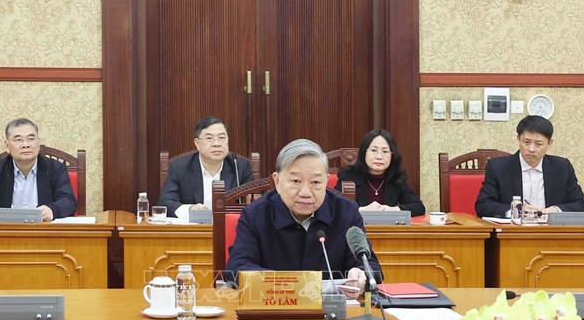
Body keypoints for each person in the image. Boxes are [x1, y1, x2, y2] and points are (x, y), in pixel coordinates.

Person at [226, 139, 382, 297]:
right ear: (277, 181)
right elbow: (237, 268)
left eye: (315, 182)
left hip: (332, 308)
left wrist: (361, 273)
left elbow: (372, 267)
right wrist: (282, 284)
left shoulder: (346, 212)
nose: (305, 192)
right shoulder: (255, 214)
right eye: (295, 181)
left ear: (326, 181)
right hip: (275, 306)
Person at [475, 115, 584, 218]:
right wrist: (517, 211)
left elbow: (582, 205)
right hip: (513, 231)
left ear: (550, 143)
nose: (531, 149)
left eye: (538, 144)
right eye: (526, 142)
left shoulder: (562, 167)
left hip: (551, 231)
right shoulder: (498, 167)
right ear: (518, 140)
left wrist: (556, 210)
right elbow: (483, 205)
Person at [0, 118, 77, 221]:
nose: (26, 145)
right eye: (18, 140)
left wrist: (52, 210)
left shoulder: (55, 168)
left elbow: (68, 201)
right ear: (7, 145)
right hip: (6, 229)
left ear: (38, 143)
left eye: (31, 139)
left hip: (43, 229)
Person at [158, 116, 254, 218]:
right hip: (195, 226)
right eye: (209, 138)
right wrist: (190, 210)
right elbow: (165, 202)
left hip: (229, 226)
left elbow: (254, 201)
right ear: (197, 143)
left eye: (222, 138)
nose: (217, 144)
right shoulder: (179, 167)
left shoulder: (239, 166)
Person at [335, 129, 425, 216]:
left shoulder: (396, 178)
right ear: (364, 152)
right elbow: (334, 207)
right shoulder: (348, 176)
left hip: (386, 227)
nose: (379, 157)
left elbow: (419, 207)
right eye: (374, 150)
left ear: (392, 155)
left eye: (385, 151)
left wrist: (393, 210)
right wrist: (361, 210)